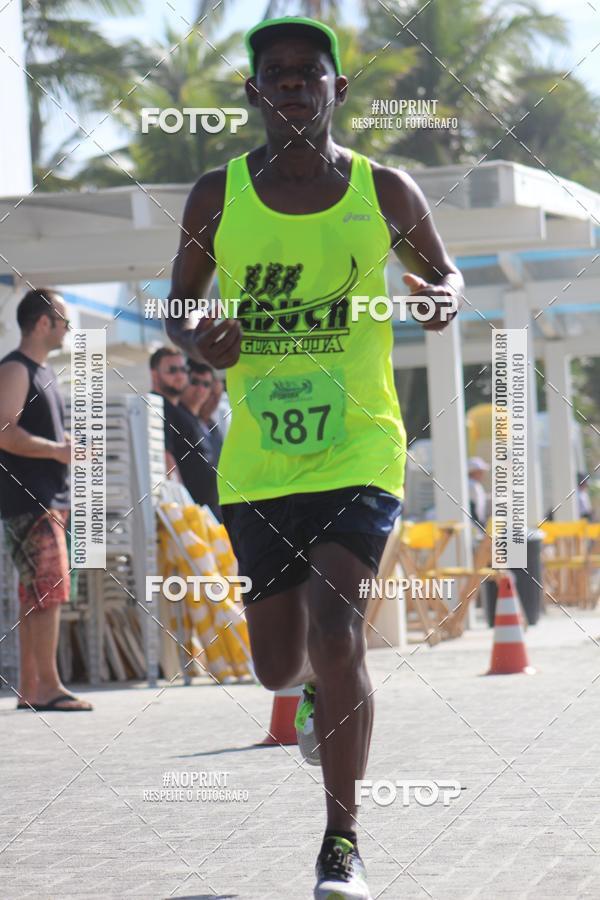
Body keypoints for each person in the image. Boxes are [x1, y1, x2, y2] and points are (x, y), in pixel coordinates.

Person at [166, 16, 462, 899]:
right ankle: (306, 702)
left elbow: (445, 277)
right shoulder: (216, 197)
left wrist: (439, 299)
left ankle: (342, 842)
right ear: (255, 94)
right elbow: (176, 302)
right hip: (258, 465)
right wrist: (197, 335)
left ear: (337, 90)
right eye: (278, 74)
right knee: (277, 664)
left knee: (340, 634)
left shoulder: (389, 191)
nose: (294, 84)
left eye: (310, 73)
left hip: (360, 445)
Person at [0, 288, 92, 711]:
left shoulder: (38, 371)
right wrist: (57, 450)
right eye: (64, 322)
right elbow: (5, 432)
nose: (68, 330)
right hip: (30, 500)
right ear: (43, 323)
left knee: (35, 593)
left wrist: (61, 444)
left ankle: (34, 687)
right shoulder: (17, 369)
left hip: (41, 498)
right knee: (49, 591)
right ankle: (47, 687)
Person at [149, 347, 220, 517]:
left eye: (182, 369)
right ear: (155, 374)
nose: (180, 375)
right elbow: (166, 456)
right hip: (188, 513)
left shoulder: (178, 410)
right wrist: (182, 506)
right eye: (172, 370)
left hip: (205, 511)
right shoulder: (158, 405)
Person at [180, 360, 222, 519]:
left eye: (206, 384)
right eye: (194, 382)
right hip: (191, 511)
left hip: (215, 511)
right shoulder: (177, 418)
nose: (200, 389)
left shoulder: (210, 426)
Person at [468, 456, 489, 529]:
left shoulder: (473, 484)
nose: (483, 474)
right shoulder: (473, 485)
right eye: (480, 471)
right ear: (473, 472)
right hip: (474, 526)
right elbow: (478, 510)